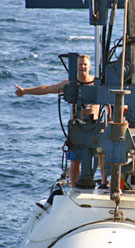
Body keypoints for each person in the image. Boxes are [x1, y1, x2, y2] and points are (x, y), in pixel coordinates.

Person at [15, 54, 108, 188]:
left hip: (96, 125)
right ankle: (74, 187)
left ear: (90, 66)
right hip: (78, 127)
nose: (83, 67)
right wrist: (25, 91)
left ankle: (104, 183)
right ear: (76, 67)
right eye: (80, 65)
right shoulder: (70, 83)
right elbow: (47, 89)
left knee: (102, 156)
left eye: (85, 64)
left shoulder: (97, 82)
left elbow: (111, 100)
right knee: (75, 159)